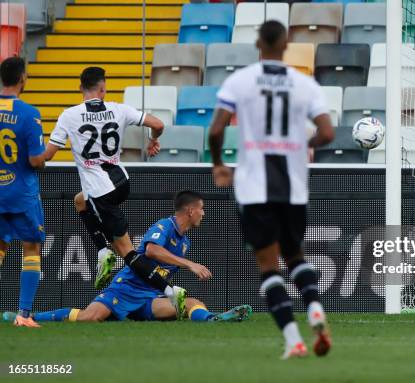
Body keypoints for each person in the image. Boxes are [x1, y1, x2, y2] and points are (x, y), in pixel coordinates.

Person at [208, 20, 335, 359]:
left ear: (258, 44)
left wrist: (218, 163)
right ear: (287, 42)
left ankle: (294, 341)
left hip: (254, 187)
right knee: (295, 257)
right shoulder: (304, 84)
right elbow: (327, 133)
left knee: (268, 267)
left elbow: (217, 129)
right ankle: (315, 311)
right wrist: (301, 144)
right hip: (293, 186)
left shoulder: (240, 80)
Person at [43, 66, 188, 317]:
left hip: (101, 192)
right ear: (103, 88)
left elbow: (47, 155)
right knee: (80, 200)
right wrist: (153, 140)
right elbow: (158, 123)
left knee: (129, 253)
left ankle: (170, 290)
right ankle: (102, 252)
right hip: (122, 183)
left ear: (81, 89)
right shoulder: (119, 109)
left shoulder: (69, 115)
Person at [3, 191, 252, 323]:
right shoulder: (164, 226)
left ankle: (212, 319)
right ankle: (29, 317)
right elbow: (151, 251)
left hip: (148, 298)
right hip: (125, 289)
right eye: (202, 209)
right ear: (190, 210)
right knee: (90, 318)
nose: (204, 214)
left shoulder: (184, 241)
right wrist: (189, 264)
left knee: (189, 303)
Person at [0, 57, 48, 327]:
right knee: (31, 248)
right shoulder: (30, 114)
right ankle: (24, 315)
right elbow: (35, 160)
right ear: (22, 79)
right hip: (22, 194)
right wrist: (46, 155)